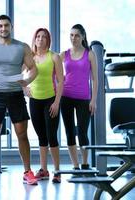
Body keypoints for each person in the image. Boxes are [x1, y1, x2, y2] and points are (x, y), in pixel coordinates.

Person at [0, 14, 38, 186]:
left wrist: (27, 81)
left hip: (16, 95)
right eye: (0, 26)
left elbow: (33, 69)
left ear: (11, 27)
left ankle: (27, 171)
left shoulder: (22, 47)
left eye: (6, 25)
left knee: (22, 135)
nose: (3, 28)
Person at [24, 28, 64, 183]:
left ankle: (57, 171)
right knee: (41, 136)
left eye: (44, 37)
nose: (41, 39)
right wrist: (23, 88)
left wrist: (56, 102)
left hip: (50, 100)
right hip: (34, 101)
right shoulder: (30, 57)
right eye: (38, 36)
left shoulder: (54, 57)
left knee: (52, 136)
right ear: (34, 39)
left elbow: (61, 81)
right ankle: (44, 170)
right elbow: (19, 73)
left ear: (48, 40)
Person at [60, 24, 98, 170]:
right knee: (69, 132)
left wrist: (93, 100)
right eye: (71, 35)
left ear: (82, 36)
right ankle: (75, 165)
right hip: (66, 97)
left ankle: (85, 163)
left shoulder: (90, 54)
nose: (73, 38)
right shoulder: (64, 54)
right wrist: (58, 83)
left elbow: (95, 79)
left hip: (84, 99)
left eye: (76, 35)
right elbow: (53, 71)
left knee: (82, 131)